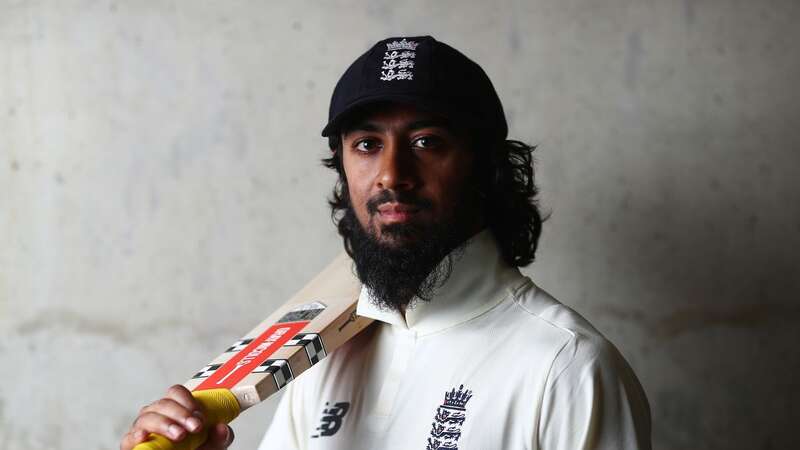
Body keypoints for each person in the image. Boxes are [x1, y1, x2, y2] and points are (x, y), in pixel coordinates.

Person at [121, 35, 651, 450]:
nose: (392, 174)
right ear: (343, 167)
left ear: (487, 167)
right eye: (368, 144)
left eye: (427, 142)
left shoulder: (567, 368)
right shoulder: (323, 352)